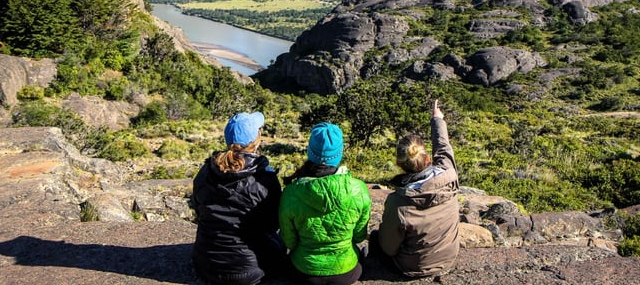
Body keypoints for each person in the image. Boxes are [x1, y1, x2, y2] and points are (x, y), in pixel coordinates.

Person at [191, 111, 284, 285]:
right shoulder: (263, 179)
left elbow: (197, 207)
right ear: (256, 140)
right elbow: (274, 223)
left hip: (205, 263)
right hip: (249, 270)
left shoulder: (206, 171)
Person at [279, 122, 371, 285]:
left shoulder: (291, 192)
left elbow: (289, 242)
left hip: (304, 271)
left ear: (310, 152)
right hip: (346, 271)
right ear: (339, 153)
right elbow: (359, 236)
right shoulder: (359, 189)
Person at [376, 99, 460, 278]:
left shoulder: (399, 203)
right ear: (428, 159)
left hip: (411, 266)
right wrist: (437, 120)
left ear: (399, 164)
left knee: (376, 240)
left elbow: (388, 248)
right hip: (449, 258)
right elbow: (444, 148)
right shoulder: (449, 175)